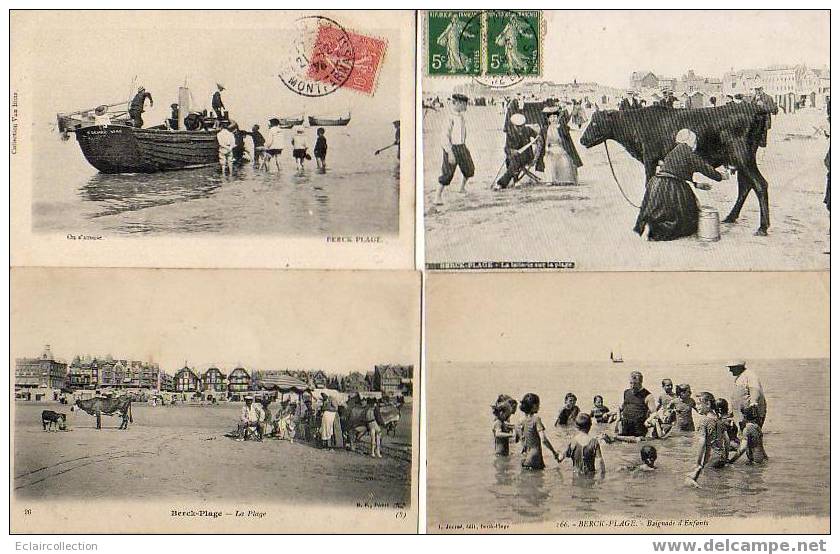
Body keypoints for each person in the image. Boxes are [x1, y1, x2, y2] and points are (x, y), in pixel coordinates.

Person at [634, 128, 728, 241]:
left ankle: (653, 228)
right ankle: (660, 232)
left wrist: (697, 184)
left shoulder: (674, 152)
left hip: (657, 184)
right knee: (687, 218)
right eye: (695, 141)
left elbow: (678, 172)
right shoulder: (689, 153)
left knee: (658, 211)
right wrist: (721, 176)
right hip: (671, 187)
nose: (696, 144)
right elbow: (705, 169)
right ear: (690, 141)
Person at [434, 93, 474, 205]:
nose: (466, 107)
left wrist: (463, 146)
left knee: (469, 169)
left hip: (461, 146)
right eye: (465, 104)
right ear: (459, 103)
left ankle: (461, 188)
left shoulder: (461, 116)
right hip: (451, 148)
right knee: (447, 173)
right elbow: (444, 137)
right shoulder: (449, 117)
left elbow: (462, 133)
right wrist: (450, 152)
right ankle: (437, 196)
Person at [687, 392, 729, 486]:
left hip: (711, 458)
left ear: (708, 404)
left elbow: (702, 443)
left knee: (709, 485)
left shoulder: (704, 421)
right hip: (721, 457)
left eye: (698, 404)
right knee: (719, 482)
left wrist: (698, 463)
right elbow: (727, 440)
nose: (696, 406)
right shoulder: (719, 420)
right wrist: (726, 457)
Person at [535, 106, 583, 186]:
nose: (553, 119)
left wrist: (564, 150)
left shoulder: (562, 128)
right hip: (550, 150)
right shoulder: (545, 129)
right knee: (549, 159)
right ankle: (551, 179)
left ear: (557, 117)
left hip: (562, 149)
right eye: (551, 117)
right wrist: (547, 149)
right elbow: (545, 142)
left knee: (565, 159)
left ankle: (566, 179)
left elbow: (567, 142)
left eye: (555, 117)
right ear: (548, 119)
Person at [494, 112, 537, 190]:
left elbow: (538, 136)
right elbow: (506, 148)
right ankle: (515, 180)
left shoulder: (527, 130)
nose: (520, 128)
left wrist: (537, 141)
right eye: (518, 127)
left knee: (514, 163)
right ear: (513, 125)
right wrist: (511, 151)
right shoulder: (510, 133)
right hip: (514, 157)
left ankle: (501, 183)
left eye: (522, 126)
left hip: (526, 156)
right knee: (513, 161)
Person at [519, 393, 561, 470]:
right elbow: (544, 439)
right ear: (534, 406)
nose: (539, 406)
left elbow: (521, 439)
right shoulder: (536, 419)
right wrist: (554, 453)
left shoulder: (521, 420)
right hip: (535, 457)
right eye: (538, 404)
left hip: (525, 458)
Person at [557, 413, 605, 478]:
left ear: (576, 427)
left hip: (576, 475)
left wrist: (557, 454)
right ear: (590, 426)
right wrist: (602, 476)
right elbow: (600, 461)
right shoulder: (594, 442)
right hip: (590, 475)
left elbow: (561, 458)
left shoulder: (572, 441)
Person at [728, 361, 767, 429]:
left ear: (739, 367)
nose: (730, 370)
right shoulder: (740, 377)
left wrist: (753, 404)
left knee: (750, 433)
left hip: (749, 415)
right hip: (741, 415)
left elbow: (755, 390)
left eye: (732, 368)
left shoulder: (750, 376)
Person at [618, 371, 657, 437]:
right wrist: (618, 419)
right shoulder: (626, 392)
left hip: (639, 429)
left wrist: (648, 421)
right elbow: (622, 407)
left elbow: (654, 413)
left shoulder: (648, 396)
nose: (632, 386)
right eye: (631, 383)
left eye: (635, 384)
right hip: (625, 426)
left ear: (641, 382)